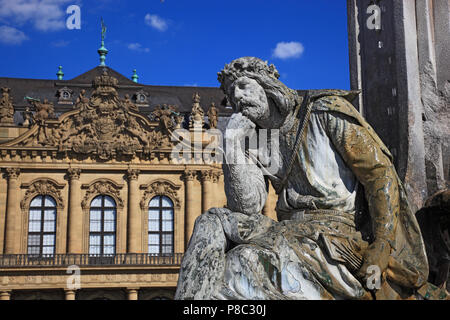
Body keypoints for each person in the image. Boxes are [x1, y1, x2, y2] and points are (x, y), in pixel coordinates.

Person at [175, 57, 433, 300]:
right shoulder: (253, 139)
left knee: (241, 263)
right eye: (231, 94)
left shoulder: (323, 110)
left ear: (268, 85)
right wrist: (231, 144)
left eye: (243, 86)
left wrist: (383, 244)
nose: (237, 97)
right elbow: (246, 208)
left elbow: (379, 174)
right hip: (284, 230)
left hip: (333, 230)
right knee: (210, 220)